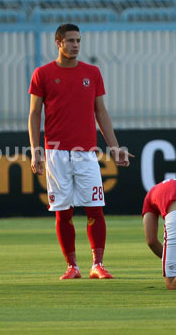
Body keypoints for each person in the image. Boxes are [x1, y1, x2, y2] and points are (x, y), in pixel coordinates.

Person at [28, 23, 133, 280]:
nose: (76, 45)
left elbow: (101, 112)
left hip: (86, 153)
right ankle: (71, 266)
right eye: (71, 40)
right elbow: (34, 114)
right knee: (63, 211)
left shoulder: (92, 73)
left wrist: (115, 147)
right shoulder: (42, 74)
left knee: (95, 208)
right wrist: (35, 150)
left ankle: (97, 264)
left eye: (78, 41)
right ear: (58, 43)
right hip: (56, 153)